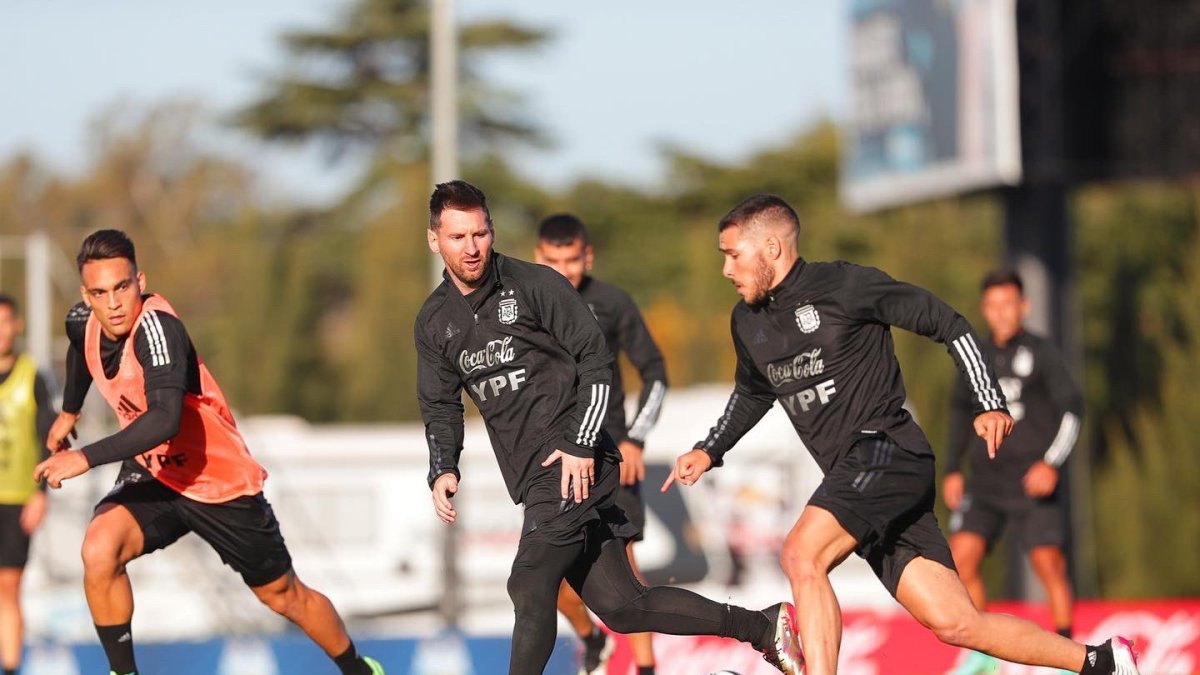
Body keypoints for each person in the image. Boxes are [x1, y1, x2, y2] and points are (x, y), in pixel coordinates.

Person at [663, 194, 1139, 675]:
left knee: (801, 553)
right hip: (861, 483)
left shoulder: (845, 285)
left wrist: (988, 400)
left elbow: (947, 323)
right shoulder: (747, 322)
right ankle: (1103, 662)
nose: (726, 269)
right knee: (957, 623)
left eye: (732, 254)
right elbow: (752, 392)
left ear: (770, 247)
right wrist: (709, 449)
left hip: (887, 451)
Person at [416, 181, 803, 675]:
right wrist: (443, 466)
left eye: (480, 233)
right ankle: (764, 627)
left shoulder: (537, 285)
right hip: (532, 474)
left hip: (574, 462)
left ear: (492, 231)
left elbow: (596, 360)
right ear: (435, 241)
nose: (472, 248)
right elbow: (439, 402)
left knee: (529, 581)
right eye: (458, 237)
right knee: (623, 607)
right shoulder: (433, 321)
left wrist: (581, 442)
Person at [32, 230, 384, 675]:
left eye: (122, 287)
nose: (114, 303)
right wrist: (69, 411)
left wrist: (84, 458)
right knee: (99, 550)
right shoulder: (83, 319)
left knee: (283, 596)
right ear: (87, 295)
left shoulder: (159, 330)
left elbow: (164, 420)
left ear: (140, 280)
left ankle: (359, 669)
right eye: (100, 293)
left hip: (217, 482)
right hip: (156, 473)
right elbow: (82, 353)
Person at [535, 215, 668, 675]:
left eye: (572, 259)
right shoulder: (526, 304)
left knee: (628, 576)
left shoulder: (612, 302)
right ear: (538, 258)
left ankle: (647, 669)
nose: (564, 270)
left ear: (587, 257)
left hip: (611, 457)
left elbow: (655, 373)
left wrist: (636, 439)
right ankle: (592, 641)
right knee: (548, 581)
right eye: (553, 261)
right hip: (554, 462)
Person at [942, 269, 1083, 674]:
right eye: (993, 306)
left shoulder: (1042, 352)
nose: (1001, 314)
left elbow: (1072, 410)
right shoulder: (977, 357)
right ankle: (985, 652)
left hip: (1031, 480)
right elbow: (958, 414)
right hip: (986, 481)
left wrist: (1051, 463)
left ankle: (1068, 656)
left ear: (1024, 306)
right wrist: (952, 468)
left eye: (1008, 305)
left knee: (1048, 565)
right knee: (961, 560)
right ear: (984, 310)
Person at [0, 295, 54, 675]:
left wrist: (41, 494)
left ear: (17, 325)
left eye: (5, 321)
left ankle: (11, 667)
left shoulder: (32, 375)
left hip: (17, 498)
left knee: (8, 587)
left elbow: (47, 436)